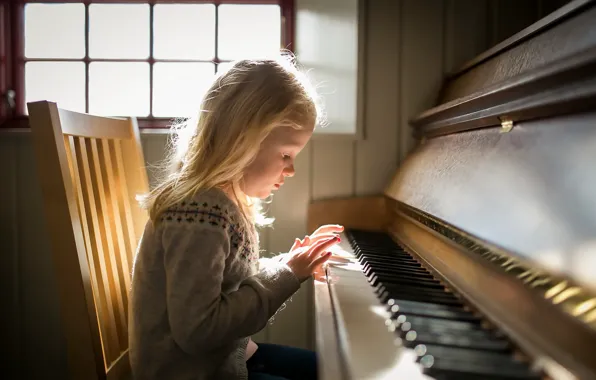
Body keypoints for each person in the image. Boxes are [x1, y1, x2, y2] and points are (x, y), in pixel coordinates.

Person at [128, 53, 344, 380]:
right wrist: (288, 275)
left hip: (228, 359)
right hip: (191, 372)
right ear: (241, 139)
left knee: (332, 370)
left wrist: (290, 263)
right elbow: (198, 331)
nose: (291, 169)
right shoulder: (200, 211)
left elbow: (231, 287)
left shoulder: (218, 203)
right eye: (286, 154)